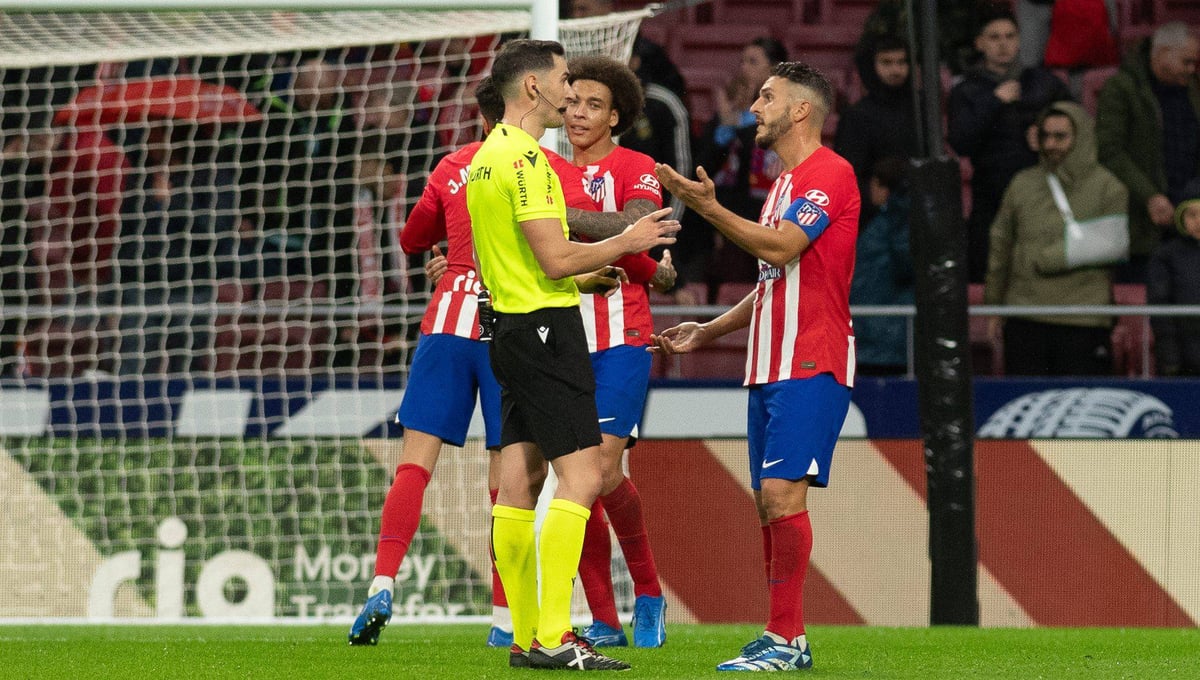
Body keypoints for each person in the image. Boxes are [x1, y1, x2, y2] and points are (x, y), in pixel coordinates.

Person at [466, 38, 677, 671]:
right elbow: (555, 257)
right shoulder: (529, 162)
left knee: (517, 484)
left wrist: (582, 277)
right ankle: (558, 635)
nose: (569, 93)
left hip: (509, 327)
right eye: (563, 80)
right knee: (584, 479)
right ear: (533, 87)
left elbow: (524, 260)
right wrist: (630, 240)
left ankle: (526, 636)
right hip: (546, 333)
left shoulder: (485, 157)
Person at [653, 61, 858, 672]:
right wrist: (709, 329)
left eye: (767, 97)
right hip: (768, 363)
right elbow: (773, 280)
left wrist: (708, 208)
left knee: (781, 494)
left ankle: (786, 639)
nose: (755, 107)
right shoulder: (781, 185)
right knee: (770, 503)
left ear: (800, 109)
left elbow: (783, 246)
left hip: (812, 356)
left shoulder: (831, 173)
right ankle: (782, 634)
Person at [346, 77, 512, 647]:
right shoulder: (543, 168)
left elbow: (412, 236)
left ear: (482, 118)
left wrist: (450, 253)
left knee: (413, 467)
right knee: (506, 482)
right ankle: (504, 619)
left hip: (448, 321)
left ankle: (382, 583)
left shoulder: (453, 165)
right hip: (506, 327)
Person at [561, 55, 673, 649]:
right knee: (575, 480)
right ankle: (605, 619)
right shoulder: (544, 167)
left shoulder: (637, 167)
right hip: (559, 338)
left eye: (594, 105)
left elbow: (637, 227)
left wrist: (556, 218)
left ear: (615, 116)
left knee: (602, 473)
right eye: (572, 102)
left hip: (622, 337)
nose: (579, 113)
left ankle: (649, 593)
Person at [984, 101, 1128, 376]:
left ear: (1081, 136)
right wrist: (992, 306)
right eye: (1045, 136)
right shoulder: (1021, 183)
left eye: (1060, 136)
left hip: (1083, 319)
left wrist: (1051, 258)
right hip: (1025, 315)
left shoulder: (1109, 188)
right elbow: (1000, 245)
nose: (1051, 144)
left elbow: (1113, 244)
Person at [948, 5, 1071, 283]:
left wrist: (1047, 132)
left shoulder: (1044, 83)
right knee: (991, 274)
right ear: (980, 43)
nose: (1003, 44)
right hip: (992, 197)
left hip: (1044, 193)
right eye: (994, 37)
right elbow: (961, 141)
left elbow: (1076, 122)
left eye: (1009, 36)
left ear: (1019, 40)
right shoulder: (966, 91)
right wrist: (994, 102)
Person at [110, 121, 240, 376]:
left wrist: (173, 202)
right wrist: (118, 293)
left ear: (174, 136)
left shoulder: (211, 175)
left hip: (191, 287)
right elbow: (127, 234)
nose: (148, 141)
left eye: (154, 134)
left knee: (187, 368)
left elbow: (213, 229)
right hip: (144, 287)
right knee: (134, 367)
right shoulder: (141, 176)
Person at [1096, 21, 1200, 283]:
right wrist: (1149, 196)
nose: (1192, 69)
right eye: (1187, 62)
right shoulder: (1121, 88)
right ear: (1163, 53)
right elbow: (1109, 150)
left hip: (1189, 216)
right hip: (1142, 221)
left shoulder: (1194, 89)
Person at [690, 37, 790, 302]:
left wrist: (741, 125)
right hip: (729, 221)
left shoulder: (786, 116)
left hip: (771, 222)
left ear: (774, 69)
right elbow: (701, 167)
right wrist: (725, 127)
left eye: (753, 62)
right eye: (743, 61)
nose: (744, 68)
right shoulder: (727, 113)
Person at [834, 33, 921, 226]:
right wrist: (869, 195)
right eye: (887, 62)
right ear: (871, 66)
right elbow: (846, 173)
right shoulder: (857, 115)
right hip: (874, 219)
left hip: (916, 211)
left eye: (902, 62)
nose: (896, 70)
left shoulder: (920, 110)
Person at [850, 155, 913, 376]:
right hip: (875, 330)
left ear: (885, 187)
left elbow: (906, 267)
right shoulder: (886, 222)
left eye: (875, 183)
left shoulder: (898, 224)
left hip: (886, 334)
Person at [1147, 178, 1200, 377]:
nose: (1198, 221)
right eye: (1192, 214)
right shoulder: (1165, 256)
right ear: (1180, 218)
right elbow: (1161, 312)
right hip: (1182, 363)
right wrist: (1170, 361)